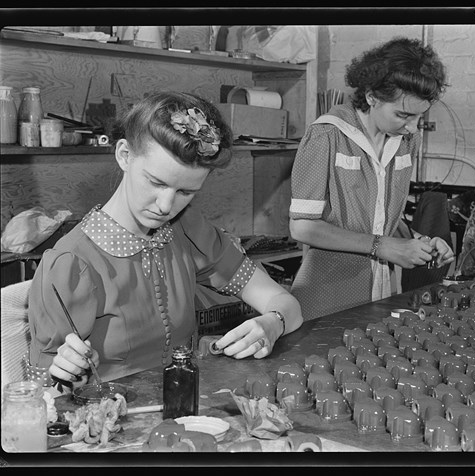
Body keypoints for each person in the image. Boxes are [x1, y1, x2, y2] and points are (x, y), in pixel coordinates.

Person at [27, 91, 303, 388]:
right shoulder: (70, 263)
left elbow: (286, 304)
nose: (165, 205)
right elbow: (40, 394)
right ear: (124, 155)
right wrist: (62, 373)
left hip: (189, 407)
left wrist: (273, 323)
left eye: (186, 192)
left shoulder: (187, 229)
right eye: (156, 183)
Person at [289, 37, 455, 320]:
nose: (413, 127)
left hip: (383, 290)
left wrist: (420, 242)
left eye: (420, 116)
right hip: (328, 291)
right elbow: (302, 228)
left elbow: (382, 217)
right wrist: (382, 246)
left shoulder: (406, 140)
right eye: (403, 114)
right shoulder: (326, 135)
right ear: (372, 97)